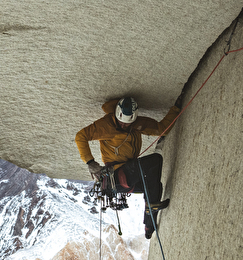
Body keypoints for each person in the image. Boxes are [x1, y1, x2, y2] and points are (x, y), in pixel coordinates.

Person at [75, 97, 180, 237]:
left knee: (155, 187)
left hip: (125, 174)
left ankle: (149, 228)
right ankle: (151, 206)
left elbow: (162, 129)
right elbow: (81, 136)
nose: (124, 126)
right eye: (121, 123)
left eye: (127, 123)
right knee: (155, 161)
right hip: (116, 176)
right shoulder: (106, 125)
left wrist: (176, 108)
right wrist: (90, 162)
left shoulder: (137, 124)